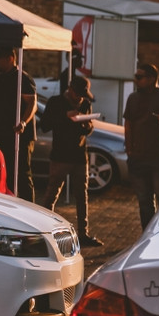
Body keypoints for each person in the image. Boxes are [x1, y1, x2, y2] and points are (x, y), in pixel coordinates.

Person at [39, 75, 103, 247]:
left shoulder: (85, 104)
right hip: (60, 155)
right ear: (71, 89)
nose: (81, 98)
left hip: (80, 155)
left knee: (82, 196)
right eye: (78, 94)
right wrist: (65, 116)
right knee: (52, 193)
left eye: (84, 95)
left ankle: (83, 233)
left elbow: (88, 129)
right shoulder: (56, 102)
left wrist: (87, 125)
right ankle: (42, 231)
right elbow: (44, 125)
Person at [123, 63, 159, 229]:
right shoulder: (133, 98)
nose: (136, 80)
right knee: (144, 202)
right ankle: (146, 235)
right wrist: (129, 150)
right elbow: (128, 124)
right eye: (136, 76)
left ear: (151, 79)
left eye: (140, 77)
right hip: (137, 157)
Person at [0, 45, 37, 200]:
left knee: (22, 174)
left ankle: (31, 208)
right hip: (2, 133)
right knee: (5, 172)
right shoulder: (0, 79)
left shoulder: (22, 78)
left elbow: (32, 103)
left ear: (10, 59)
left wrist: (23, 122)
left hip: (19, 135)